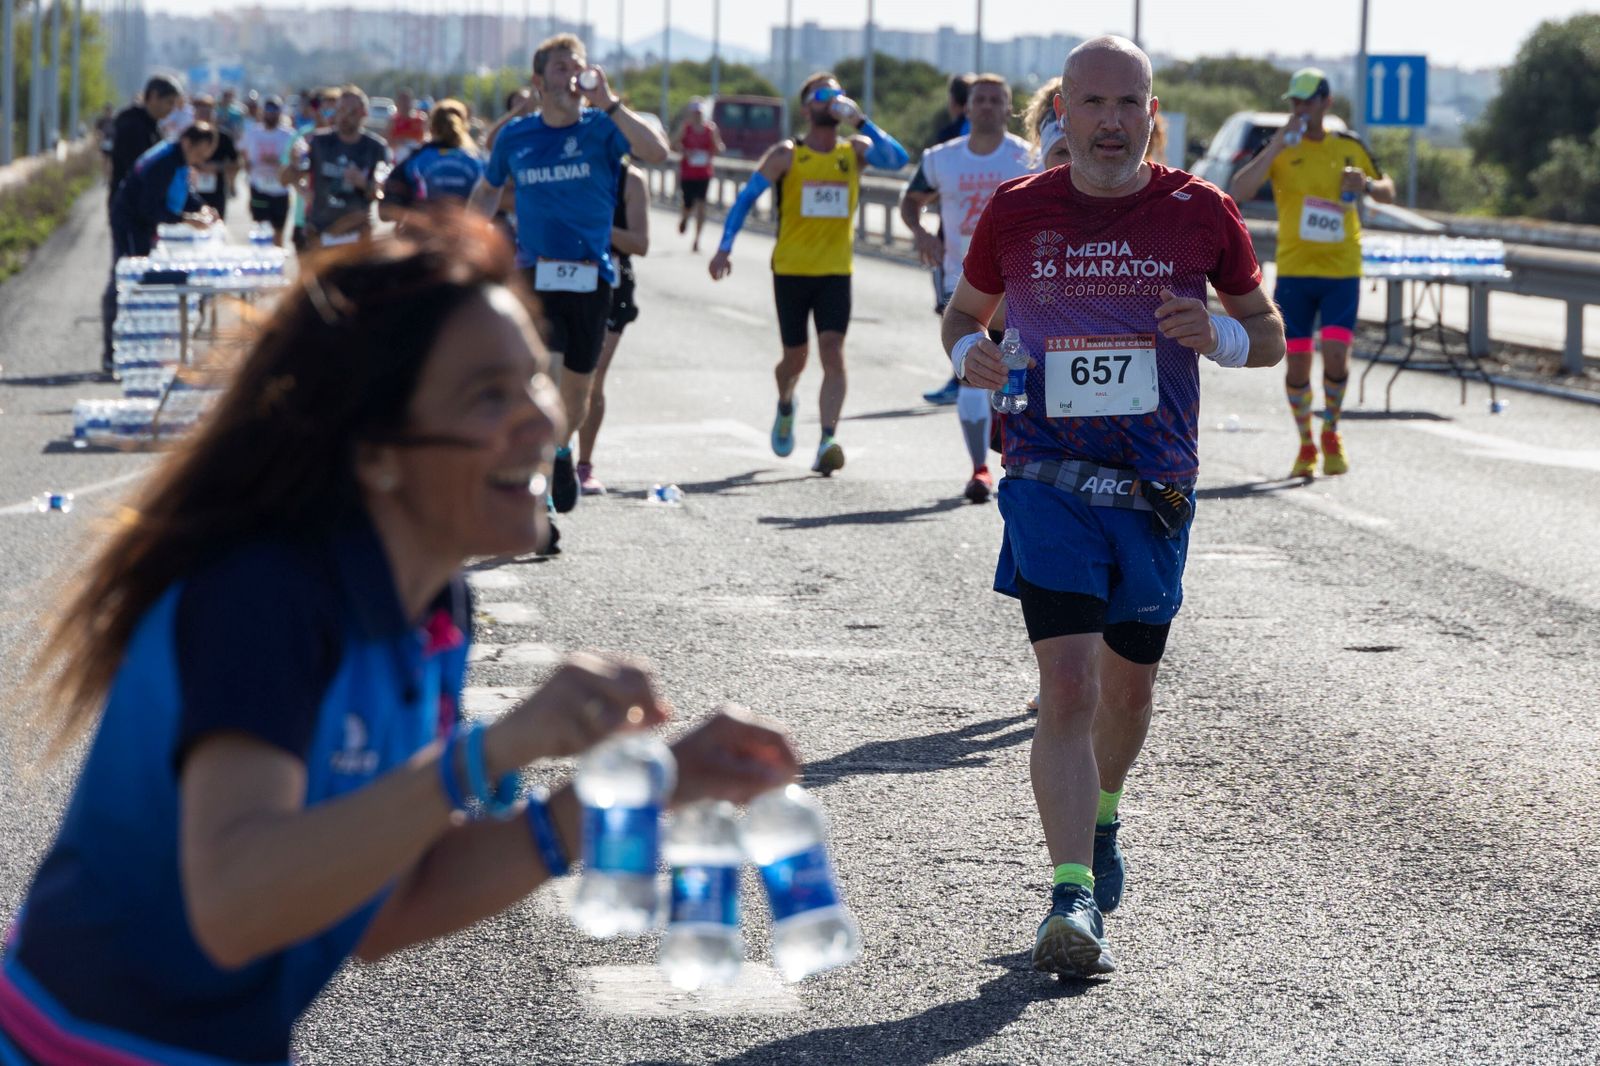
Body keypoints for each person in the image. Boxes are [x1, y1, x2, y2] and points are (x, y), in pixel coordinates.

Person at [0, 212, 800, 1064]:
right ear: (376, 452)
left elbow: (386, 909)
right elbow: (234, 906)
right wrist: (486, 754)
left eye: (532, 382)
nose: (542, 423)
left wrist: (637, 791)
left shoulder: (434, 603)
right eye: (488, 394)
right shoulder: (266, 595)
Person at [943, 36, 1284, 979]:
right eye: (1089, 104)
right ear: (1062, 116)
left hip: (1156, 488)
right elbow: (966, 315)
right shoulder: (1019, 209)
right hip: (1047, 476)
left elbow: (1270, 338)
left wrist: (1216, 332)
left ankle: (1102, 817)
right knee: (1070, 685)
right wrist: (968, 352)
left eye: (1126, 103)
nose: (1108, 120)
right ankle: (1071, 895)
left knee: (1128, 689)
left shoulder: (1198, 211)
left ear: (1149, 112)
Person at [468, 33, 669, 521]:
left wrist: (611, 102)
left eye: (577, 66)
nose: (572, 76)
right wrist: (469, 244)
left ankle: (561, 453)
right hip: (534, 273)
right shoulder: (517, 137)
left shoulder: (603, 128)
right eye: (561, 68)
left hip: (592, 277)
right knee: (547, 374)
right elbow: (489, 191)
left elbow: (658, 152)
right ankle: (539, 503)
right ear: (538, 82)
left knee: (578, 393)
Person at [709, 72, 909, 476]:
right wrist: (725, 246)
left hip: (836, 271)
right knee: (794, 359)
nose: (832, 101)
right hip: (791, 270)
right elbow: (746, 198)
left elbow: (898, 160)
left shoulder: (855, 150)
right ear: (806, 108)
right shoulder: (787, 154)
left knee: (833, 351)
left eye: (838, 94)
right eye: (823, 95)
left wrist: (862, 120)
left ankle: (826, 440)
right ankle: (786, 402)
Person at [1230, 68, 1395, 478]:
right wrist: (1274, 148)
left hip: (1341, 270)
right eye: (1294, 102)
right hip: (1296, 271)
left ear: (1326, 102)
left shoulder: (1348, 145)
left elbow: (1387, 187)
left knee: (1337, 355)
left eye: (1307, 101)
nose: (1300, 109)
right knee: (1298, 364)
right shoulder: (1282, 148)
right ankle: (1306, 444)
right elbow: (1238, 190)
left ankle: (1331, 430)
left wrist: (1368, 188)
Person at [899, 73, 1033, 505]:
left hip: (1019, 285)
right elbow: (910, 200)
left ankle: (1022, 460)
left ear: (1008, 107)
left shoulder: (1026, 158)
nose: (989, 106)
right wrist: (921, 233)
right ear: (967, 107)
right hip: (963, 282)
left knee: (1019, 374)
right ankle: (979, 468)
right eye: (981, 99)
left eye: (997, 99)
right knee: (975, 372)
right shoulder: (942, 158)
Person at [577, 159, 650, 496]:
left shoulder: (630, 180)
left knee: (593, 375)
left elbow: (640, 243)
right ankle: (552, 460)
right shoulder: (570, 167)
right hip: (560, 277)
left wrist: (595, 228)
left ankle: (584, 466)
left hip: (614, 283)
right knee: (557, 375)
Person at [102, 75, 183, 374]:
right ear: (151, 97)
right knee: (125, 277)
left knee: (133, 276)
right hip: (128, 214)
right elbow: (135, 174)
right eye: (168, 102)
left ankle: (130, 346)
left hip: (139, 214)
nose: (170, 109)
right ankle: (114, 349)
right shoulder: (132, 127)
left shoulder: (149, 127)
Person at [920, 72, 978, 407]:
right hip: (988, 247)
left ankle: (961, 378)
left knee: (954, 314)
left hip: (952, 247)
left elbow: (925, 190)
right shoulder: (1004, 142)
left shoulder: (947, 141)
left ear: (954, 102)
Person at [293, 86, 393, 248]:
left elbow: (383, 194)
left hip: (357, 235)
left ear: (364, 114)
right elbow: (288, 177)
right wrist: (300, 183)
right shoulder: (317, 141)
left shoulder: (376, 148)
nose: (344, 116)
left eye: (351, 111)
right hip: (320, 231)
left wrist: (364, 183)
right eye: (340, 110)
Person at [109, 124, 219, 262]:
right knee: (133, 270)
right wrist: (185, 219)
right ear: (187, 142)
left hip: (145, 222)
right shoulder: (165, 162)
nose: (199, 161)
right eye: (198, 154)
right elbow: (149, 207)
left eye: (204, 157)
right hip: (132, 220)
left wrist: (201, 207)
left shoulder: (179, 158)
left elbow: (183, 191)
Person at [382, 99, 484, 218]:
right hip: (467, 233)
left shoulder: (415, 160)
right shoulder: (476, 162)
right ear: (465, 128)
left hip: (422, 233)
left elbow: (386, 212)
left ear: (431, 128)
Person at [242, 95, 297, 247]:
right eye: (268, 110)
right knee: (261, 230)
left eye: (274, 110)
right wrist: (246, 166)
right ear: (262, 112)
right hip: (258, 187)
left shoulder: (289, 135)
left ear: (280, 113)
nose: (271, 114)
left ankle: (277, 264)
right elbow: (244, 153)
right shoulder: (253, 132)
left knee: (278, 231)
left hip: (280, 189)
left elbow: (296, 160)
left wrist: (278, 162)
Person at [672, 99, 724, 253]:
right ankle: (685, 218)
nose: (697, 116)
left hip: (704, 173)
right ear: (691, 114)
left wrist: (714, 150)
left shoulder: (711, 129)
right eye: (695, 113)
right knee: (688, 204)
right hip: (688, 173)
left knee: (701, 205)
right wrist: (685, 152)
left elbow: (719, 146)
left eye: (700, 113)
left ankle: (696, 240)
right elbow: (673, 144)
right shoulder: (685, 129)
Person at [190, 94, 241, 221]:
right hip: (190, 192)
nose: (204, 115)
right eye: (200, 111)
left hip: (216, 192)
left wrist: (217, 167)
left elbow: (237, 163)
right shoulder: (186, 136)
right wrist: (195, 166)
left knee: (216, 227)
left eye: (207, 112)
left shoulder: (223, 137)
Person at [388, 88, 428, 161]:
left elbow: (425, 139)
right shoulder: (393, 121)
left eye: (407, 101)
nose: (404, 104)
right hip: (398, 160)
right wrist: (399, 142)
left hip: (416, 158)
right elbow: (387, 142)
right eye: (402, 101)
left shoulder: (420, 119)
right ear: (397, 103)